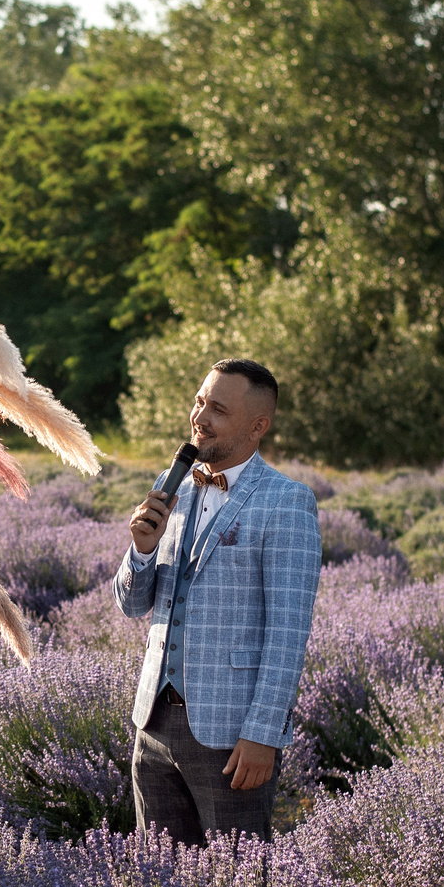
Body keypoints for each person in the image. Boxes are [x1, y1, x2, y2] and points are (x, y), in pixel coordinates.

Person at [114, 358, 322, 845]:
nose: (200, 416)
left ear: (257, 426)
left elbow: (288, 633)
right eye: (199, 401)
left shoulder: (286, 502)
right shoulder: (176, 488)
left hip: (232, 736)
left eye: (218, 409)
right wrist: (142, 549)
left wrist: (264, 733)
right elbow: (132, 605)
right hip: (153, 725)